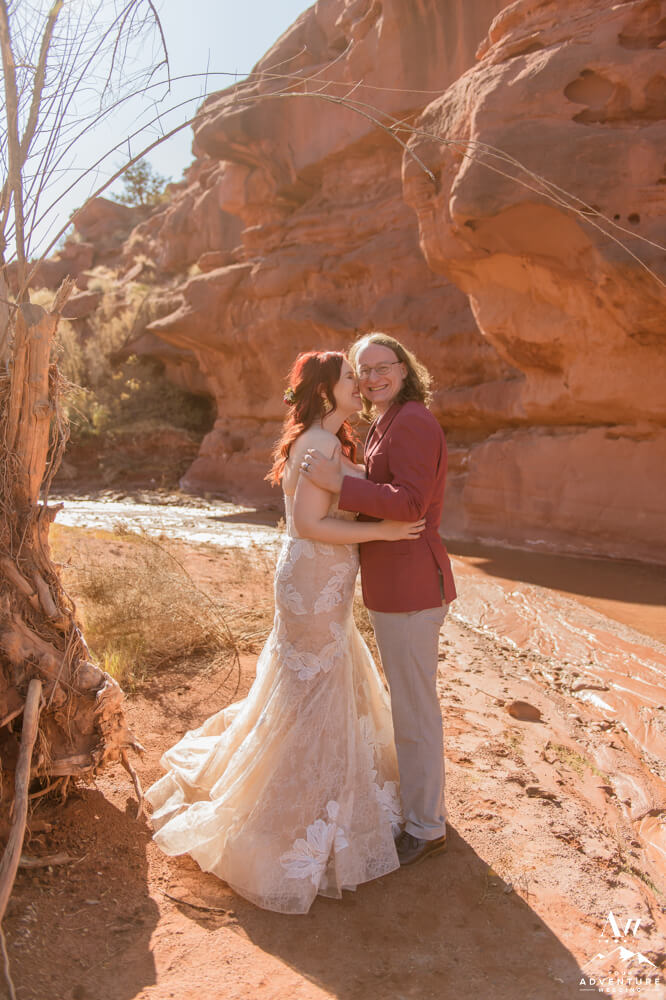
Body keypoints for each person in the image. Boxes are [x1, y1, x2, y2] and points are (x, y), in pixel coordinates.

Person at [145, 350, 426, 915]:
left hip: (322, 578)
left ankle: (319, 788)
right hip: (314, 578)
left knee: (316, 679)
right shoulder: (319, 443)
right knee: (312, 685)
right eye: (349, 378)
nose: (359, 385)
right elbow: (308, 523)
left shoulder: (331, 441)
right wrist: (387, 534)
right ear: (325, 391)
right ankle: (286, 808)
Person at [301, 333, 457, 867]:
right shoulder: (386, 422)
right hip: (395, 584)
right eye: (362, 370)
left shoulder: (412, 421)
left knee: (415, 710)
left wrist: (338, 484)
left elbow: (411, 503)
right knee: (411, 704)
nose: (372, 378)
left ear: (404, 368)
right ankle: (425, 811)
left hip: (412, 584)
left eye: (381, 367)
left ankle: (426, 827)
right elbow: (385, 483)